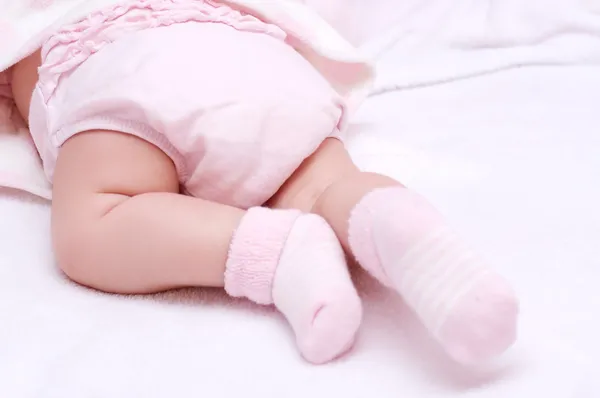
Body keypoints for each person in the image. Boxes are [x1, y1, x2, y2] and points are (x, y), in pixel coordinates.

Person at [5, 0, 518, 365]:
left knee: (96, 223)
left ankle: (276, 251)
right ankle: (387, 217)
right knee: (322, 183)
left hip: (123, 71)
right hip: (261, 61)